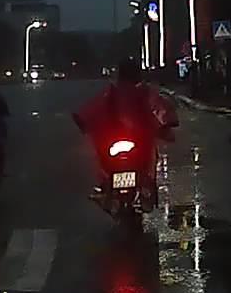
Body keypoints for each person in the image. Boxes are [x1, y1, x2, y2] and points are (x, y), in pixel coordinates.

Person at [73, 58, 174, 196]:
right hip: (136, 145)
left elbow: (90, 111)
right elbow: (161, 111)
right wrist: (166, 127)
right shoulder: (144, 93)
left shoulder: (111, 93)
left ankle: (106, 185)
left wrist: (85, 124)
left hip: (114, 145)